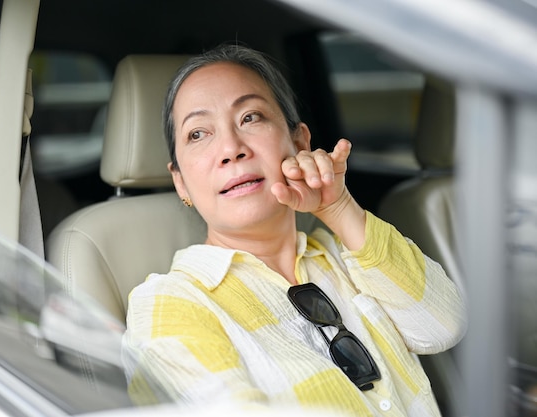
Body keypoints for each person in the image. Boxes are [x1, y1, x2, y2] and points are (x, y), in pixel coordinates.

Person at [120, 44, 467, 416]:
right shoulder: (169, 305)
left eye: (250, 117)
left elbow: (442, 327)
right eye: (198, 134)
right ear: (181, 183)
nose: (231, 149)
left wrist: (339, 207)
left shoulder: (348, 254)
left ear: (300, 141)